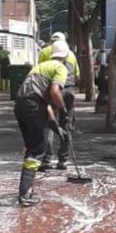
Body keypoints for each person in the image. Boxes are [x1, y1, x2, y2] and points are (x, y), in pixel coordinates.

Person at [14, 39, 70, 206]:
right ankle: (24, 195)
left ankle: (26, 190)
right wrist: (64, 111)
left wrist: (53, 125)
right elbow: (54, 92)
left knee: (32, 147)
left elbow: (42, 101)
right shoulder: (60, 67)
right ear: (65, 56)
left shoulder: (39, 67)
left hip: (20, 105)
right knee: (38, 149)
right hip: (33, 106)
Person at [38, 31, 80, 170]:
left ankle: (46, 159)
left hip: (52, 90)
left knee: (49, 124)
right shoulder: (71, 54)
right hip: (68, 91)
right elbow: (77, 75)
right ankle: (63, 159)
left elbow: (41, 73)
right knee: (66, 123)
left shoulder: (45, 52)